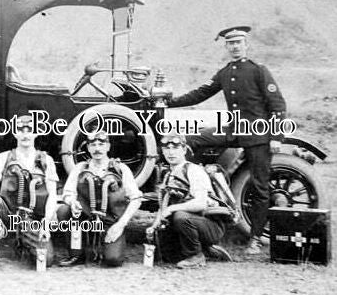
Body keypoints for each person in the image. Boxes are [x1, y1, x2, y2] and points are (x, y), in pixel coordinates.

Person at [169, 26, 287, 255]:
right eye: (230, 43)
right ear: (226, 46)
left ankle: (255, 239)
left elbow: (278, 105)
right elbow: (200, 93)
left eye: (238, 43)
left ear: (246, 45)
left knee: (260, 186)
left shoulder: (259, 70)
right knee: (190, 140)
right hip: (234, 130)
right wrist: (169, 102)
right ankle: (197, 191)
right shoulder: (225, 72)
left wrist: (276, 136)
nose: (235, 47)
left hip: (259, 134)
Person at [0, 114, 59, 275]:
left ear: (36, 133)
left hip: (32, 217)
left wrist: (47, 222)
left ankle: (24, 240)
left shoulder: (46, 160)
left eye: (30, 130)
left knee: (47, 259)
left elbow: (52, 195)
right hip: (9, 212)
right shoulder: (3, 157)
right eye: (21, 130)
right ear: (15, 133)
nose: (25, 134)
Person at [58, 130, 143, 267]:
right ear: (88, 147)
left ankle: (108, 246)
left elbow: (136, 199)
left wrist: (120, 225)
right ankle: (77, 254)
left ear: (108, 146)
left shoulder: (121, 169)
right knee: (64, 210)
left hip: (110, 221)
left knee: (113, 260)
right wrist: (72, 202)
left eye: (101, 144)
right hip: (86, 218)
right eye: (93, 145)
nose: (97, 149)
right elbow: (67, 193)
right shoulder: (80, 168)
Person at [157, 133, 232, 268]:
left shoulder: (193, 170)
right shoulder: (168, 174)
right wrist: (154, 225)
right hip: (192, 221)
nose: (171, 152)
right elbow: (164, 204)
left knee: (180, 217)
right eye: (167, 149)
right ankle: (207, 250)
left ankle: (196, 256)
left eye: (175, 148)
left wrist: (172, 209)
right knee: (167, 256)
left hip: (210, 223)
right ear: (162, 151)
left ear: (184, 150)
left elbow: (200, 204)